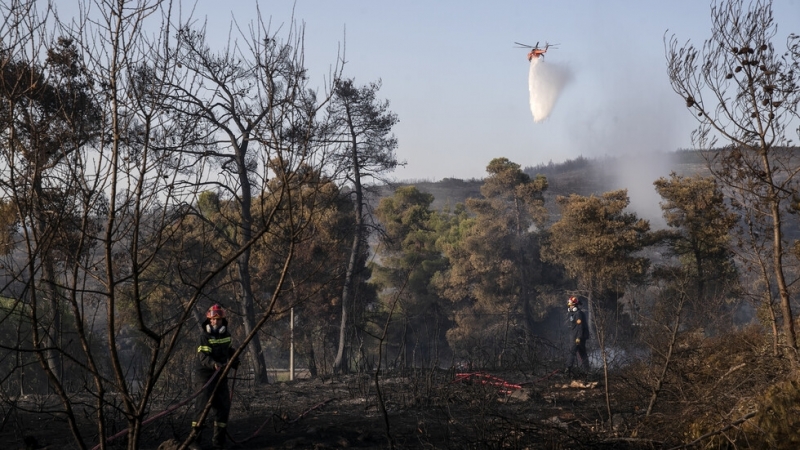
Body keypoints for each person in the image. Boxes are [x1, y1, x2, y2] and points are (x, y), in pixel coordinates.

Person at [190, 303, 239, 450]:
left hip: (221, 375)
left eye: (218, 320)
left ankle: (219, 442)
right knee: (202, 407)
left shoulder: (227, 336)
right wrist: (214, 364)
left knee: (223, 407)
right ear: (209, 321)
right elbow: (203, 357)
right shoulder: (204, 337)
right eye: (213, 320)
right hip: (205, 376)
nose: (215, 322)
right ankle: (194, 441)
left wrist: (235, 359)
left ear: (222, 321)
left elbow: (229, 350)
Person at [566, 296, 590, 374]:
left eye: (571, 305)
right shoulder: (573, 314)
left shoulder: (578, 314)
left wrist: (578, 337)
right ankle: (587, 370)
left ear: (575, 305)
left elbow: (580, 327)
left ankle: (568, 369)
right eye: (569, 305)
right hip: (576, 336)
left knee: (572, 352)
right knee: (582, 353)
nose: (570, 306)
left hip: (577, 337)